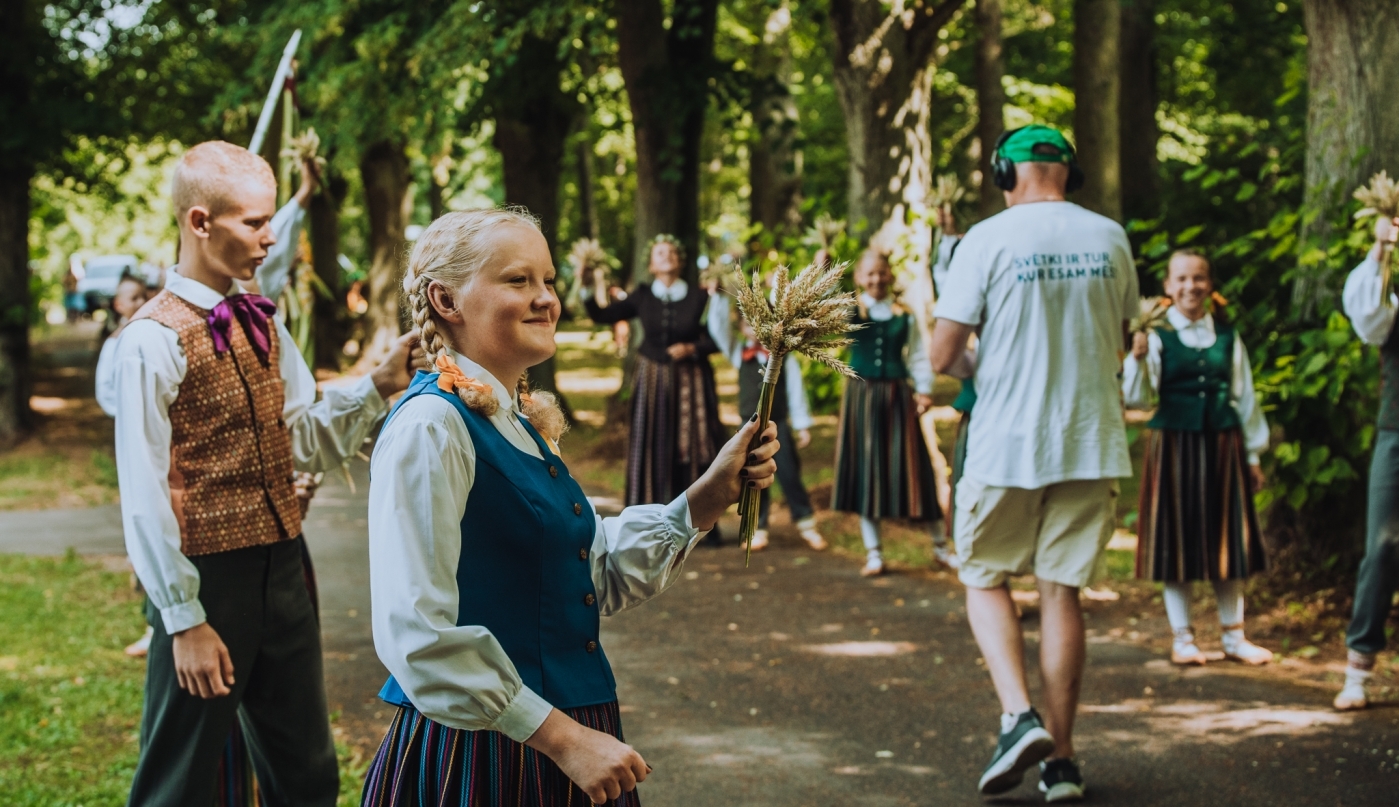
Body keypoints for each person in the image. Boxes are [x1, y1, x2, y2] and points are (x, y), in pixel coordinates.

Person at [362, 208, 781, 806]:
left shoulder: (514, 420)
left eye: (549, 281)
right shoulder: (432, 426)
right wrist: (562, 738)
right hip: (484, 757)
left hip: (569, 740)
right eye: (518, 280)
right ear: (446, 299)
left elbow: (587, 575)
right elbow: (417, 637)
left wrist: (708, 494)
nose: (546, 300)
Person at [111, 140, 422, 806]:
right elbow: (141, 495)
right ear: (200, 222)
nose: (269, 235)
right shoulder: (151, 339)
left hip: (284, 564)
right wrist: (182, 617)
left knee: (305, 769)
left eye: (269, 217)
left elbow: (301, 438)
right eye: (253, 222)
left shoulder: (263, 321)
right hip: (205, 579)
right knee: (181, 775)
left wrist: (378, 384)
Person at [930, 124, 1137, 801]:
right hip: (1089, 438)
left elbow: (941, 357)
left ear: (1003, 172)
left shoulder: (984, 240)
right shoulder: (1109, 236)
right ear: (1067, 173)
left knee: (983, 573)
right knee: (1059, 589)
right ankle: (1063, 762)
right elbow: (1122, 339)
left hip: (1004, 442)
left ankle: (1017, 715)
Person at [1123, 250, 1273, 667]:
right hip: (1174, 445)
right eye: (1182, 279)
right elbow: (1138, 398)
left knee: (1227, 541)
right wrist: (1135, 359)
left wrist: (1254, 455)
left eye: (1199, 278)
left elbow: (1245, 397)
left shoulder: (1227, 335)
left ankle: (1233, 636)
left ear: (1210, 285)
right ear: (1168, 287)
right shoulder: (1155, 337)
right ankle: (1183, 637)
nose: (1191, 286)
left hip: (1223, 446)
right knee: (1177, 540)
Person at [584, 235, 728, 533]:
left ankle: (698, 523)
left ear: (680, 261)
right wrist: (587, 284)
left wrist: (693, 349)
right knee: (654, 441)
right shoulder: (642, 296)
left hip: (693, 384)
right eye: (659, 253)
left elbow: (720, 340)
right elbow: (601, 315)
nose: (666, 256)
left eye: (672, 252)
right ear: (651, 264)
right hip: (653, 382)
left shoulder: (701, 296)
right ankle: (650, 520)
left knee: (692, 446)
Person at [831, 249, 942, 576]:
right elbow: (821, 308)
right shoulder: (849, 310)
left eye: (881, 272)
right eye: (869, 274)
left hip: (897, 394)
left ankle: (940, 547)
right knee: (867, 468)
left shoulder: (904, 313)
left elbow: (919, 353)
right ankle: (874, 552)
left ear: (890, 275)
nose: (876, 279)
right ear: (859, 278)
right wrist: (823, 267)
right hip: (861, 397)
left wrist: (924, 389)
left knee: (913, 465)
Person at [706, 272, 828, 551]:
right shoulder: (739, 352)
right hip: (748, 426)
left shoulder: (784, 356)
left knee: (788, 472)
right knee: (753, 476)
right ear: (742, 327)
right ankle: (757, 526)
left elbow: (796, 390)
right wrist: (717, 297)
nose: (755, 329)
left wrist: (802, 424)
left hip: (779, 423)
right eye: (750, 324)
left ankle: (806, 522)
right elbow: (717, 327)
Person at [1336, 211, 1399, 711]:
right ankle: (1359, 666)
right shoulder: (1388, 296)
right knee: (1382, 548)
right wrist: (1380, 252)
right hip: (1396, 435)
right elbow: (1367, 318)